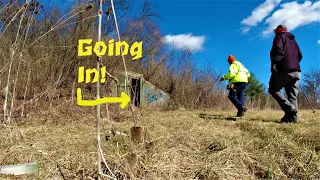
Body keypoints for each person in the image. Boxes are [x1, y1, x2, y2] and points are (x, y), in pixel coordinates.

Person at [268, 24, 303, 123]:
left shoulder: (279, 37)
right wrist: (294, 63)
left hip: (284, 69)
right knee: (292, 95)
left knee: (273, 89)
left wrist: (275, 64)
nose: (274, 33)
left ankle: (289, 108)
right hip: (296, 70)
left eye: (275, 31)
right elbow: (300, 55)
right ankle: (292, 119)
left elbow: (279, 51)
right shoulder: (294, 41)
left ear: (278, 31)